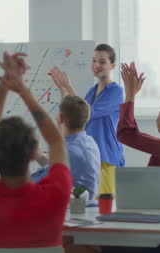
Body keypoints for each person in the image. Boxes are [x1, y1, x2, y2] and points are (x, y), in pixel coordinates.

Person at [63, 62, 160, 253]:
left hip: (156, 242)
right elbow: (134, 135)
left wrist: (130, 94)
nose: (157, 115)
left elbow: (125, 134)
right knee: (73, 242)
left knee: (78, 244)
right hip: (154, 235)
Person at [0, 52, 71, 247]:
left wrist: (4, 85)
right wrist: (22, 90)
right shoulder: (56, 194)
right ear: (32, 154)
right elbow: (56, 141)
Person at [50, 43, 124, 197]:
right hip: (91, 156)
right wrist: (64, 90)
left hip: (107, 157)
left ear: (112, 66)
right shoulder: (92, 91)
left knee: (104, 208)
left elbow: (87, 111)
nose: (97, 65)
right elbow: (78, 116)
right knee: (87, 206)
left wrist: (69, 86)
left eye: (102, 62)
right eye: (94, 60)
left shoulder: (116, 91)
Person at [31, 95, 100, 200]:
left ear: (60, 118)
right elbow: (64, 169)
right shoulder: (90, 142)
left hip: (69, 210)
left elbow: (33, 183)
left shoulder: (68, 152)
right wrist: (39, 156)